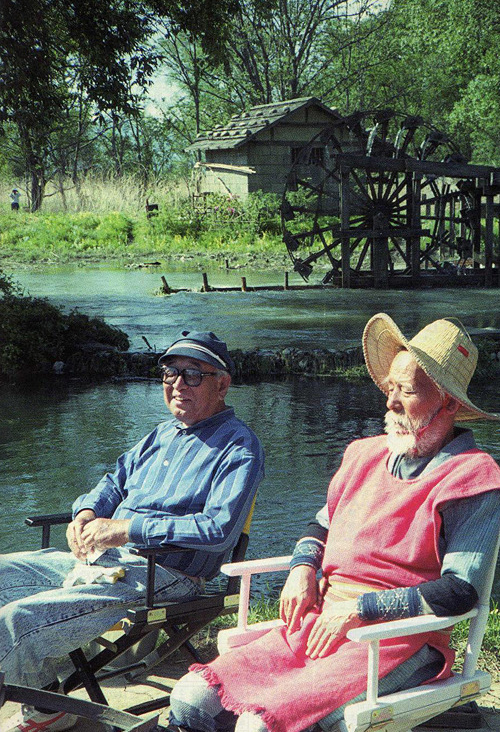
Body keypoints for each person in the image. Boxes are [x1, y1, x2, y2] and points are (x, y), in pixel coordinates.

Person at [170, 313, 500, 732]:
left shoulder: (472, 477)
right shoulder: (363, 454)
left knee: (258, 726)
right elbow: (320, 527)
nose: (390, 402)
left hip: (397, 641)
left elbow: (460, 592)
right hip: (318, 622)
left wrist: (360, 610)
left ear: (450, 404)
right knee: (190, 699)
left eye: (408, 392)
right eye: (390, 388)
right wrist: (302, 568)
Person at [1, 330, 264, 732]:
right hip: (102, 557)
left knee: (19, 619)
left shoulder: (239, 447)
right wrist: (87, 512)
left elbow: (218, 530)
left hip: (166, 574)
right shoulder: (161, 434)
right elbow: (113, 481)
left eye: (193, 375)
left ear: (223, 384)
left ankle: (40, 706)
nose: (177, 384)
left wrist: (126, 529)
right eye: (170, 373)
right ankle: (46, 699)